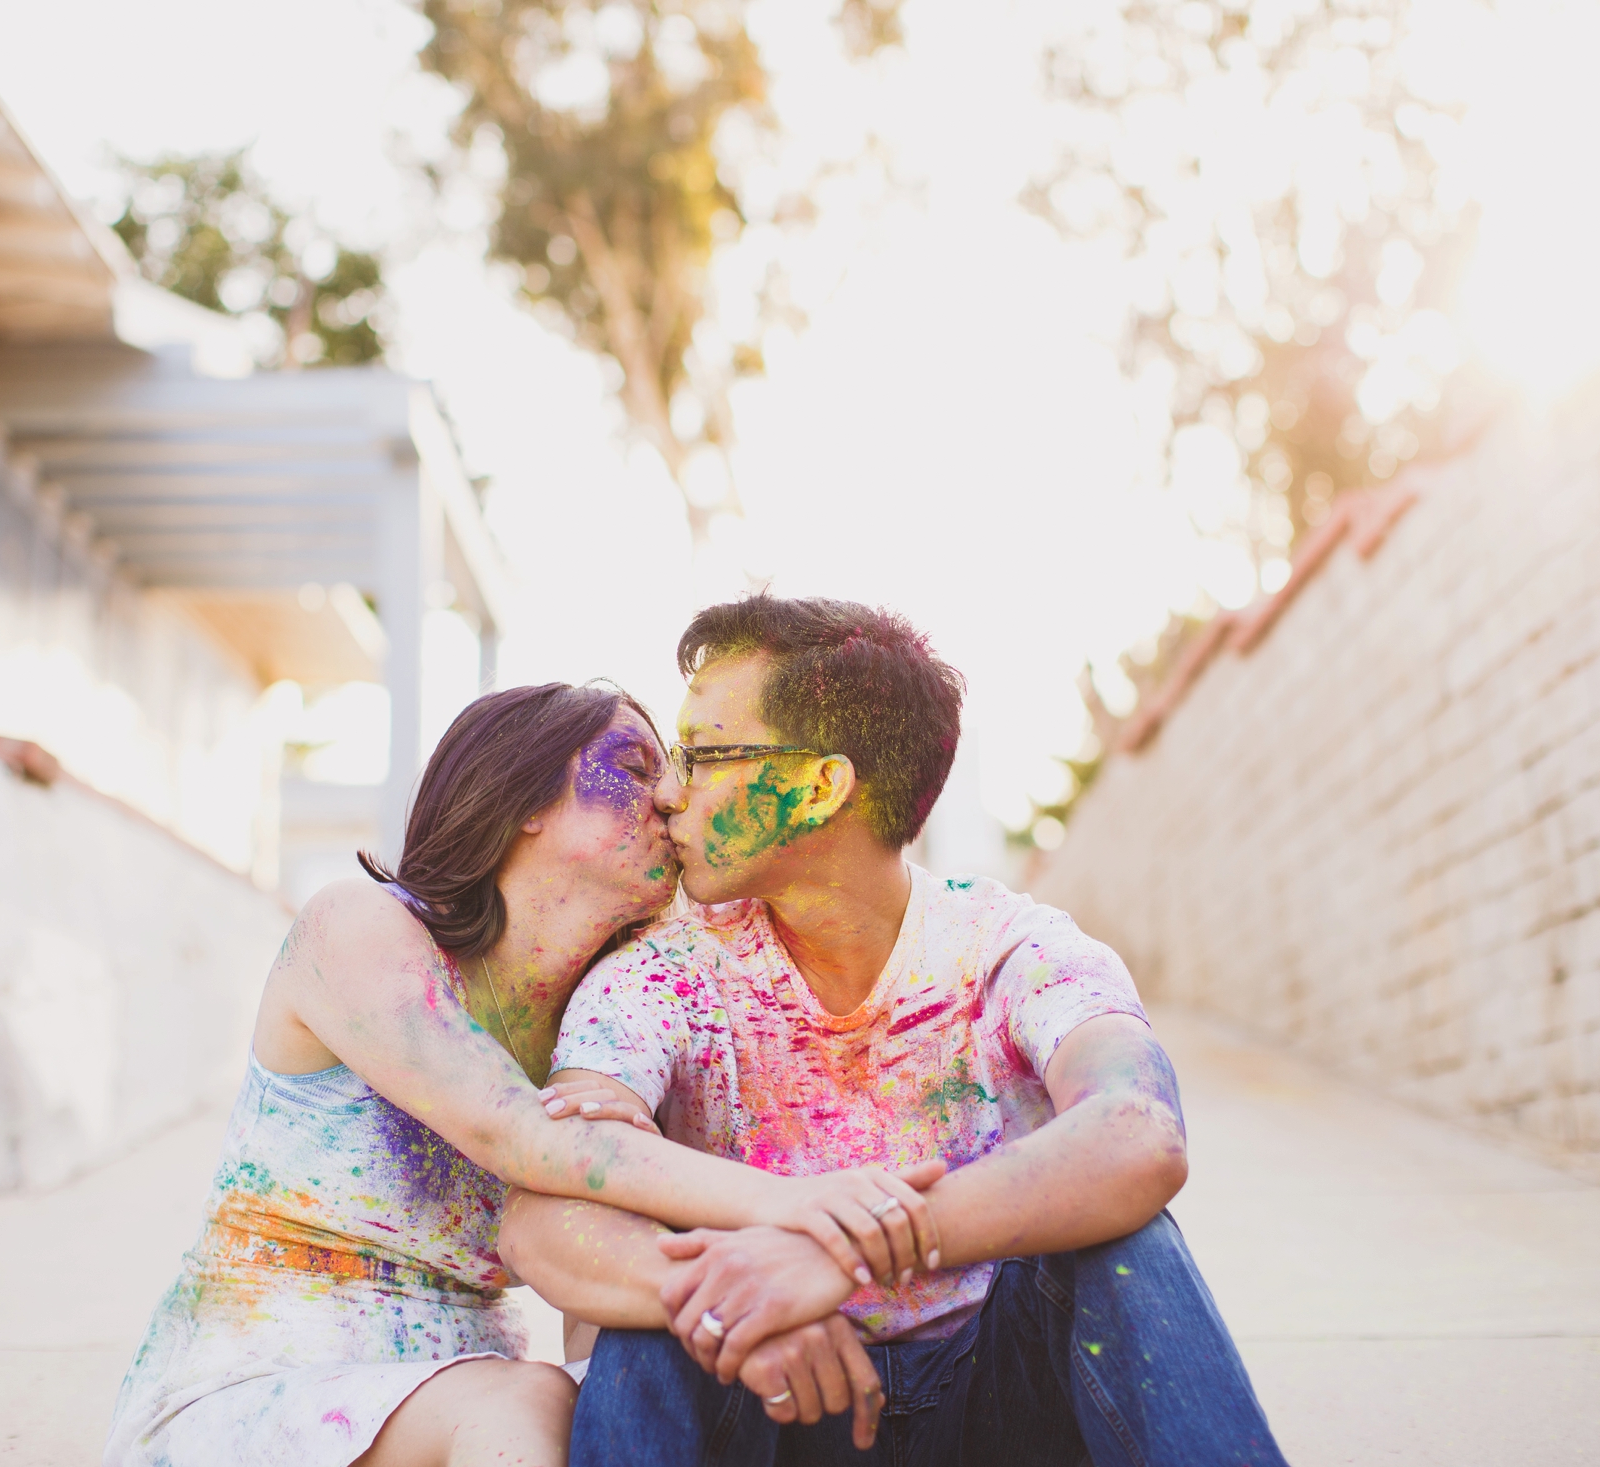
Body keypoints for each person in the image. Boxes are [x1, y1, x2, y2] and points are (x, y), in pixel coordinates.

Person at [497, 598, 1288, 1466]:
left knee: (1123, 1240)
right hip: (780, 1404)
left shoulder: (1009, 948)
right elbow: (544, 1213)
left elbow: (1139, 1131)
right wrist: (728, 1291)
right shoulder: (662, 974)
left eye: (705, 755)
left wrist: (847, 1256)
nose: (668, 792)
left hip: (998, 1408)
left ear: (820, 787)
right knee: (663, 1312)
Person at [105, 682, 948, 1467]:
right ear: (522, 800)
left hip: (465, 1404)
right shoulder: (358, 929)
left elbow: (595, 1301)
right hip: (257, 1384)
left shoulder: (621, 1022)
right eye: (633, 767)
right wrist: (801, 1206)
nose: (670, 796)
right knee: (530, 1395)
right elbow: (520, 1134)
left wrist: (741, 1312)